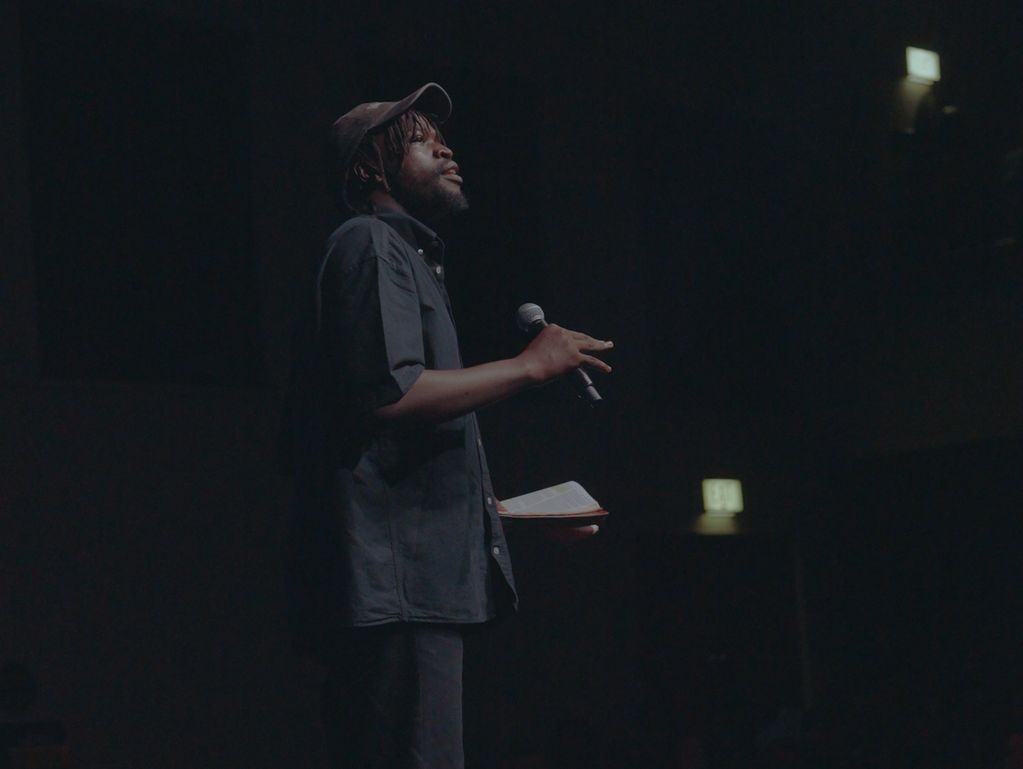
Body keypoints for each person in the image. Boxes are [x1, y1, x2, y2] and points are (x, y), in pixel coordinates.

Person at [280, 82, 613, 769]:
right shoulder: (369, 242)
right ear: (372, 168)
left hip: (416, 584)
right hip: (397, 594)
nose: (446, 147)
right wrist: (527, 367)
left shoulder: (407, 260)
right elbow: (390, 398)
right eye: (424, 140)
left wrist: (506, 516)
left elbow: (392, 457)